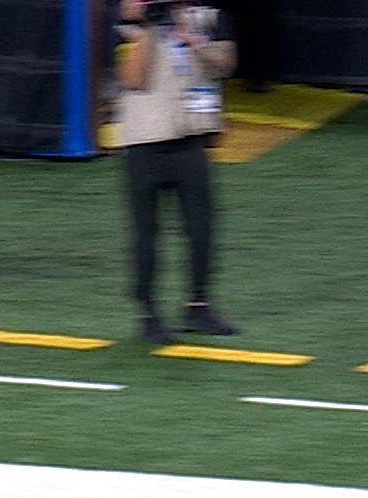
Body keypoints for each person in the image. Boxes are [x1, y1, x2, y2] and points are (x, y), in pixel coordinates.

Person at [113, 0, 238, 345]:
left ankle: (198, 305)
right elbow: (133, 79)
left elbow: (226, 65)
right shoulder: (129, 27)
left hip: (192, 140)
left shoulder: (211, 18)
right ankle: (148, 313)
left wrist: (194, 39)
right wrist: (146, 30)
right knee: (146, 233)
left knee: (201, 228)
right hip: (145, 143)